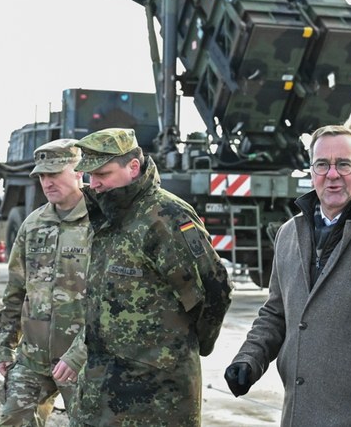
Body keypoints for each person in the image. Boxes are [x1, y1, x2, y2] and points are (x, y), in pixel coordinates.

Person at [225, 124, 351, 426]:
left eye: (344, 164)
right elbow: (276, 313)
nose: (332, 174)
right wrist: (249, 358)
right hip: (298, 412)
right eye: (322, 164)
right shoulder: (289, 234)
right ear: (311, 170)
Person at [69, 128, 232, 427]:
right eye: (90, 176)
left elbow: (214, 290)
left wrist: (188, 347)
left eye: (103, 173)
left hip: (156, 398)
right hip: (100, 391)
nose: (95, 184)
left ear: (133, 167)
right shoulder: (108, 216)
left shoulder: (166, 216)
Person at [0, 139, 92, 426]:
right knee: (13, 420)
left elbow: (113, 300)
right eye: (42, 176)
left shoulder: (101, 222)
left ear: (78, 172)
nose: (47, 182)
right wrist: (5, 347)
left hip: (84, 360)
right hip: (34, 357)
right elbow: (15, 291)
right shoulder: (33, 224)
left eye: (55, 174)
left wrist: (80, 355)